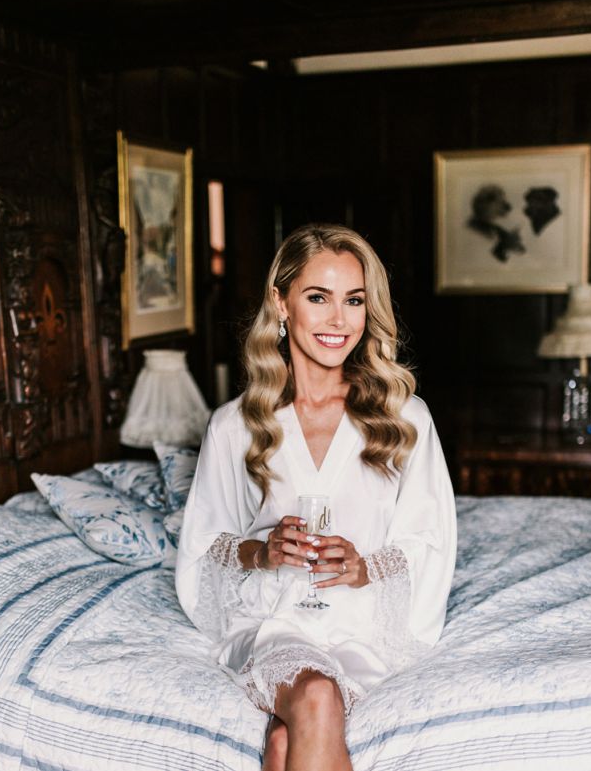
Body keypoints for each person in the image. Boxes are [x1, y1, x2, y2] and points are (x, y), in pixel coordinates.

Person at [175, 223, 457, 771]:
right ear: (281, 303)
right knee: (317, 696)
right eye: (318, 298)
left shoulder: (403, 420)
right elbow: (204, 546)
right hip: (277, 619)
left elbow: (432, 540)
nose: (338, 320)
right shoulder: (236, 425)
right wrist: (264, 552)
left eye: (354, 300)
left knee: (283, 745)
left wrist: (362, 567)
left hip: (367, 625)